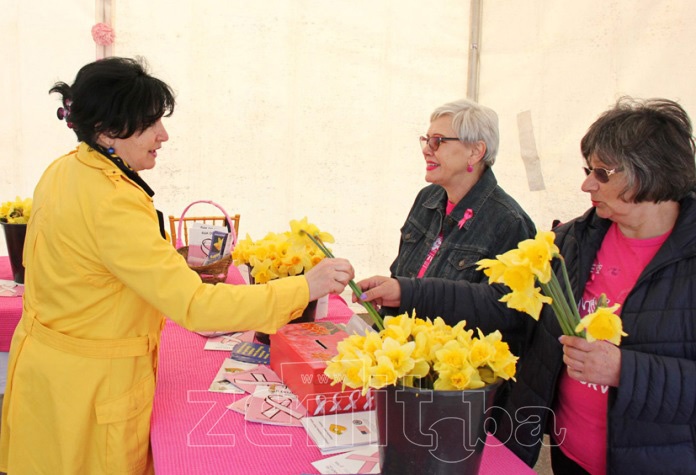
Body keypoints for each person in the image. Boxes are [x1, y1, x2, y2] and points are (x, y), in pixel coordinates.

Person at [0, 57, 354, 474]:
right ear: (110, 129)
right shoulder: (112, 200)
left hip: (50, 372)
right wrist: (304, 288)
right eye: (150, 123)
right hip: (91, 388)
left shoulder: (64, 169)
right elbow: (196, 307)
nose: (163, 135)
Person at [357, 97, 696, 474]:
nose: (587, 184)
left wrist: (625, 371)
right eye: (589, 169)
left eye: (602, 173)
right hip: (568, 457)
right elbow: (502, 303)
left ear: (647, 173)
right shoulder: (573, 242)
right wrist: (407, 291)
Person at [390, 98, 535, 282]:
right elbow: (398, 277)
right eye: (426, 140)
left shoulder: (509, 223)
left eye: (437, 141)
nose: (426, 150)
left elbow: (498, 307)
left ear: (475, 152)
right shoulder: (427, 198)